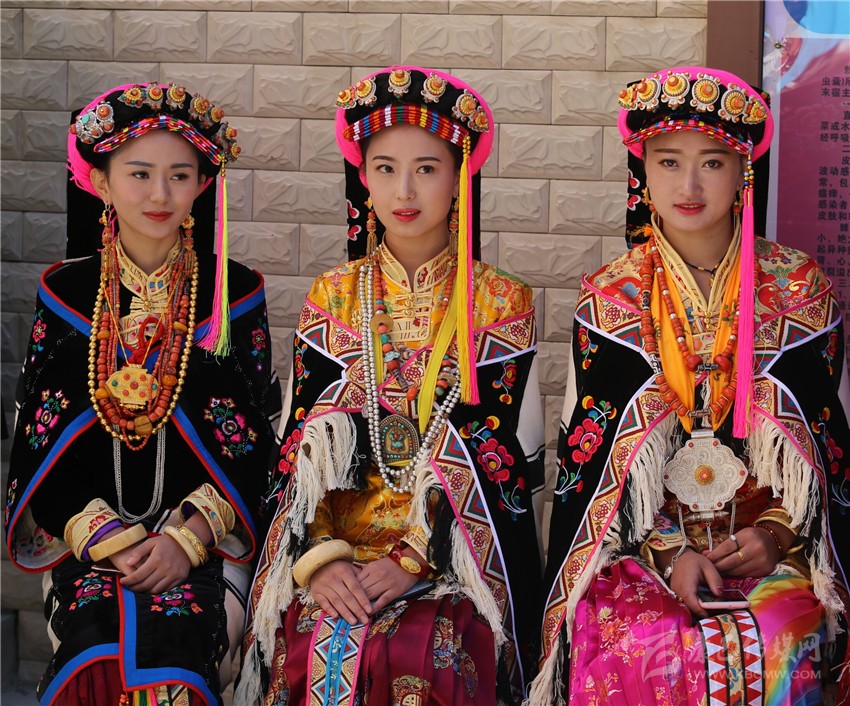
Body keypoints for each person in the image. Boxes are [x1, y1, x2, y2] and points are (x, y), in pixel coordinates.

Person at [531, 66, 850, 704]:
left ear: (743, 172)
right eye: (669, 162)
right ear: (643, 171)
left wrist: (775, 536)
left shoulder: (798, 288)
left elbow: (830, 452)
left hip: (772, 549)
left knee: (782, 641)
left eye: (713, 163)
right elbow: (591, 472)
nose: (690, 185)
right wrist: (670, 552)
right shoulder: (610, 300)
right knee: (637, 642)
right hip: (645, 551)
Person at [236, 66, 545, 706]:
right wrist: (322, 559)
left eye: (427, 168)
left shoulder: (500, 301)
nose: (404, 190)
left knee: (419, 650)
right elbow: (302, 451)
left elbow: (499, 460)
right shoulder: (333, 295)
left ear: (459, 177)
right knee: (314, 642)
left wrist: (411, 560)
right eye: (384, 168)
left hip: (451, 559)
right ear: (364, 179)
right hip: (339, 554)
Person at [4, 81, 282, 705]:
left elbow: (258, 442)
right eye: (139, 174)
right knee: (98, 646)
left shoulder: (233, 296)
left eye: (179, 176)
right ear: (100, 182)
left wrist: (189, 537)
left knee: (179, 652)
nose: (160, 195)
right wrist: (105, 536)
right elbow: (39, 438)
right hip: (93, 544)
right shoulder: (66, 295)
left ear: (202, 184)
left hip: (207, 544)